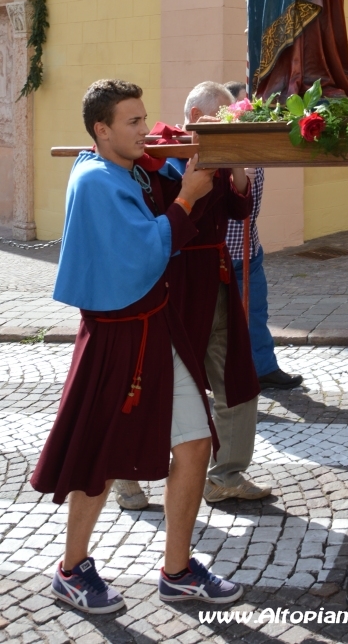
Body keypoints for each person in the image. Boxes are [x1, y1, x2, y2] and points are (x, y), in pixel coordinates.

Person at [32, 80, 244, 613]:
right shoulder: (99, 181)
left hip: (155, 329)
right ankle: (71, 568)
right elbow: (148, 252)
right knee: (100, 460)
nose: (146, 130)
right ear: (101, 130)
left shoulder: (119, 169)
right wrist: (190, 196)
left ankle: (176, 570)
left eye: (145, 118)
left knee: (195, 443)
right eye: (132, 122)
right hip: (118, 337)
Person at [115, 82, 271, 511]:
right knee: (157, 383)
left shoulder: (219, 152)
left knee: (238, 378)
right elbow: (167, 215)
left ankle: (226, 474)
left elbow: (238, 213)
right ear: (200, 118)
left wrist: (238, 165)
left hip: (216, 279)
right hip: (176, 283)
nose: (230, 128)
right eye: (225, 121)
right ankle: (127, 477)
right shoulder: (159, 152)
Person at [224, 80, 303, 390]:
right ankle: (227, 375)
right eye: (243, 106)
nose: (250, 112)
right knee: (226, 319)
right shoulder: (224, 143)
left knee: (257, 309)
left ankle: (264, 367)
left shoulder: (252, 141)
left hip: (249, 246)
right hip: (225, 251)